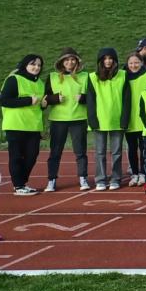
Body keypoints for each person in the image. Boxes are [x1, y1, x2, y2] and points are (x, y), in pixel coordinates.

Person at [44, 48, 90, 192]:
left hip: (79, 118)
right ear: (61, 62)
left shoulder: (85, 76)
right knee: (55, 152)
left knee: (80, 151)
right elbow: (45, 98)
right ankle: (51, 180)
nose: (70, 62)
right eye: (66, 60)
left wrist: (83, 98)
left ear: (77, 61)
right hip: (58, 119)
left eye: (72, 59)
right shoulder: (52, 77)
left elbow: (93, 97)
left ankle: (83, 178)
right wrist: (55, 98)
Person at [85, 47, 131, 191]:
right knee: (100, 152)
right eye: (105, 58)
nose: (108, 61)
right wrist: (92, 119)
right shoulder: (92, 77)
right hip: (100, 120)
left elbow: (127, 99)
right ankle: (100, 179)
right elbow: (90, 100)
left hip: (117, 120)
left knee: (117, 152)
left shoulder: (123, 75)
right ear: (100, 61)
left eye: (110, 58)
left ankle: (115, 179)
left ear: (115, 60)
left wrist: (125, 119)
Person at [0, 54, 46, 196]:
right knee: (16, 157)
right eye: (33, 64)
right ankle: (19, 185)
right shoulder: (14, 79)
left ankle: (21, 183)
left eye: (39, 65)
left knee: (32, 156)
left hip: (33, 126)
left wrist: (43, 105)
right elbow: (4, 101)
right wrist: (27, 100)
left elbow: (37, 104)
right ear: (25, 65)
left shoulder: (40, 83)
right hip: (15, 125)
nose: (36, 67)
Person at [123, 53, 146, 187]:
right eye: (131, 63)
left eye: (136, 62)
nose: (134, 65)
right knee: (132, 148)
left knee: (144, 148)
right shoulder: (123, 77)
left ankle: (143, 173)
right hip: (129, 119)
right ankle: (134, 174)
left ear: (141, 63)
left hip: (144, 119)